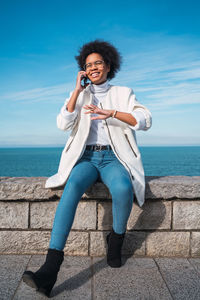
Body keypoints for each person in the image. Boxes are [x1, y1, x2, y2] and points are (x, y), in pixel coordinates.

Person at [22, 39, 152, 297]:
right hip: (86, 159)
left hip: (114, 159)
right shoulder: (80, 95)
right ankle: (50, 268)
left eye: (98, 63)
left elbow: (144, 120)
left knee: (123, 188)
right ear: (84, 70)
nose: (93, 68)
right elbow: (63, 123)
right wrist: (76, 92)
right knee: (71, 188)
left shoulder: (123, 93)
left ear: (108, 65)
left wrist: (112, 113)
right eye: (88, 65)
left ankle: (115, 243)